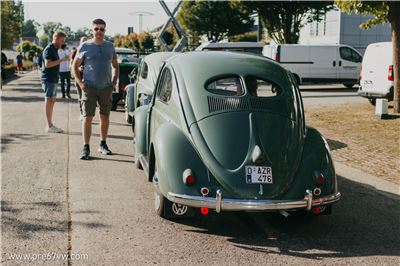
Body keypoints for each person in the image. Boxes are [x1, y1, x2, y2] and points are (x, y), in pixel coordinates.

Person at [72, 19, 119, 160]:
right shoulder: (85, 46)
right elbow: (75, 65)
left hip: (106, 88)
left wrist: (114, 82)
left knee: (105, 117)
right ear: (92, 30)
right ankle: (86, 147)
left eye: (102, 29)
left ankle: (102, 144)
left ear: (105, 30)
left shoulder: (110, 46)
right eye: (96, 29)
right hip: (89, 87)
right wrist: (80, 82)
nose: (99, 31)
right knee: (87, 118)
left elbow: (116, 65)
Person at [41, 31, 69, 133]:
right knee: (49, 100)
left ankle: (50, 125)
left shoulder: (55, 49)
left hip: (53, 79)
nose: (63, 43)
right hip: (48, 79)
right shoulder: (49, 49)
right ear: (56, 39)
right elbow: (47, 64)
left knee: (52, 101)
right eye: (62, 40)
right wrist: (62, 60)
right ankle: (49, 126)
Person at [71, 36, 88, 120]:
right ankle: (82, 113)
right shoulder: (75, 52)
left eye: (86, 41)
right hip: (79, 77)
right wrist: (78, 68)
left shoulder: (90, 50)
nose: (84, 43)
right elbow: (72, 65)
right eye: (83, 42)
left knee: (89, 98)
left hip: (89, 79)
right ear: (80, 42)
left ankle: (87, 114)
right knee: (80, 96)